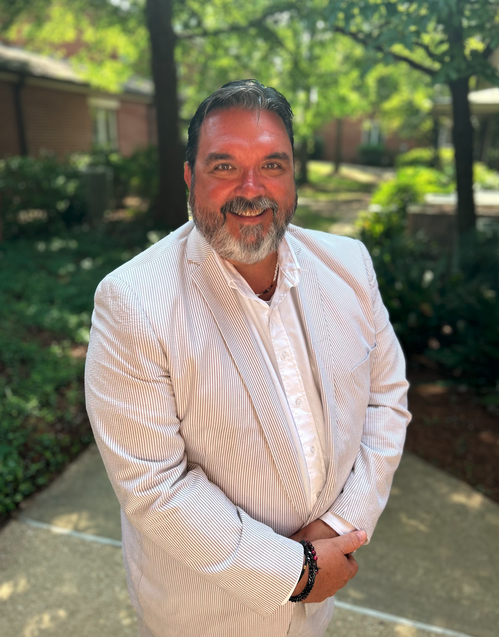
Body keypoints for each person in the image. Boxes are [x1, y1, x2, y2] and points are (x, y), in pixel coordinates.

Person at [85, 79, 410, 637]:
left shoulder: (350, 266)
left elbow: (387, 400)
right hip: (205, 616)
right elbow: (153, 485)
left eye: (272, 165)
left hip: (317, 601)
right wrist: (297, 571)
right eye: (224, 166)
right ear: (190, 177)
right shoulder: (132, 303)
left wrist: (339, 525)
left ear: (293, 175)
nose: (251, 189)